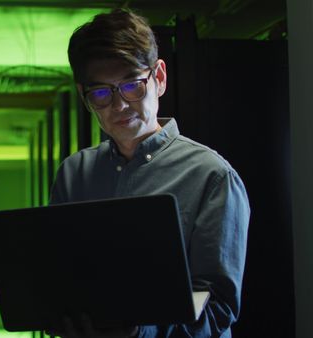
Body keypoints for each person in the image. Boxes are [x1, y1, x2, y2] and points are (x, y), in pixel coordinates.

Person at [46, 9, 250, 338]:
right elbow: (59, 280)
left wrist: (140, 331)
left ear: (159, 78)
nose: (120, 105)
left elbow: (219, 313)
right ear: (85, 96)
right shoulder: (73, 174)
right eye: (101, 93)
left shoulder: (212, 176)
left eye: (132, 85)